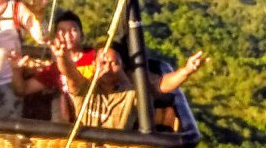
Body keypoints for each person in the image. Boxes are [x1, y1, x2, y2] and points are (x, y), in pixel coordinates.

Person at [50, 41, 208, 130]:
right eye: (103, 63)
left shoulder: (130, 94)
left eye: (114, 63)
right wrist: (61, 56)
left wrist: (186, 71)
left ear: (122, 66)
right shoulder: (85, 89)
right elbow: (70, 73)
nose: (108, 68)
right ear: (94, 65)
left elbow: (160, 86)